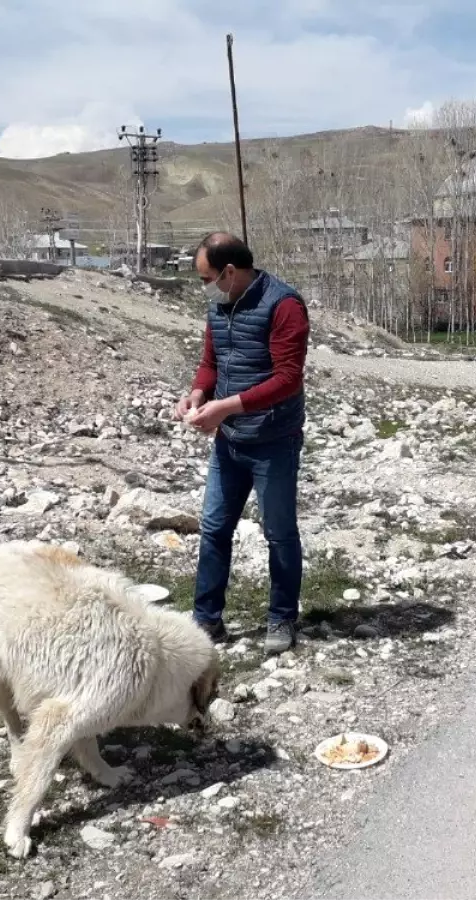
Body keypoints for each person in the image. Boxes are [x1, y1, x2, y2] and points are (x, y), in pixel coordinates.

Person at [173, 232, 310, 655]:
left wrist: (226, 407)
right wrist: (197, 394)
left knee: (279, 532)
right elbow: (211, 362)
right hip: (230, 441)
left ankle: (281, 617)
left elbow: (288, 379)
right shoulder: (220, 304)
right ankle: (206, 621)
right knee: (214, 528)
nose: (205, 287)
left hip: (274, 440)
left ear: (230, 272)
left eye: (207, 278)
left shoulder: (285, 305)